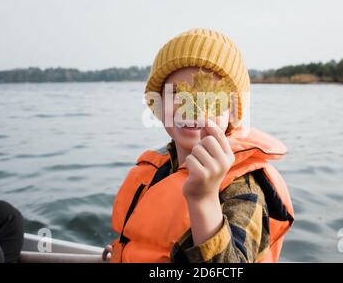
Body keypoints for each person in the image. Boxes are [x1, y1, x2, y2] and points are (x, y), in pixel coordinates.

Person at [104, 28, 294, 263]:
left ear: (232, 112)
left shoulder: (245, 188)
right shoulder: (159, 169)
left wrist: (203, 198)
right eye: (178, 94)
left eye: (211, 98)